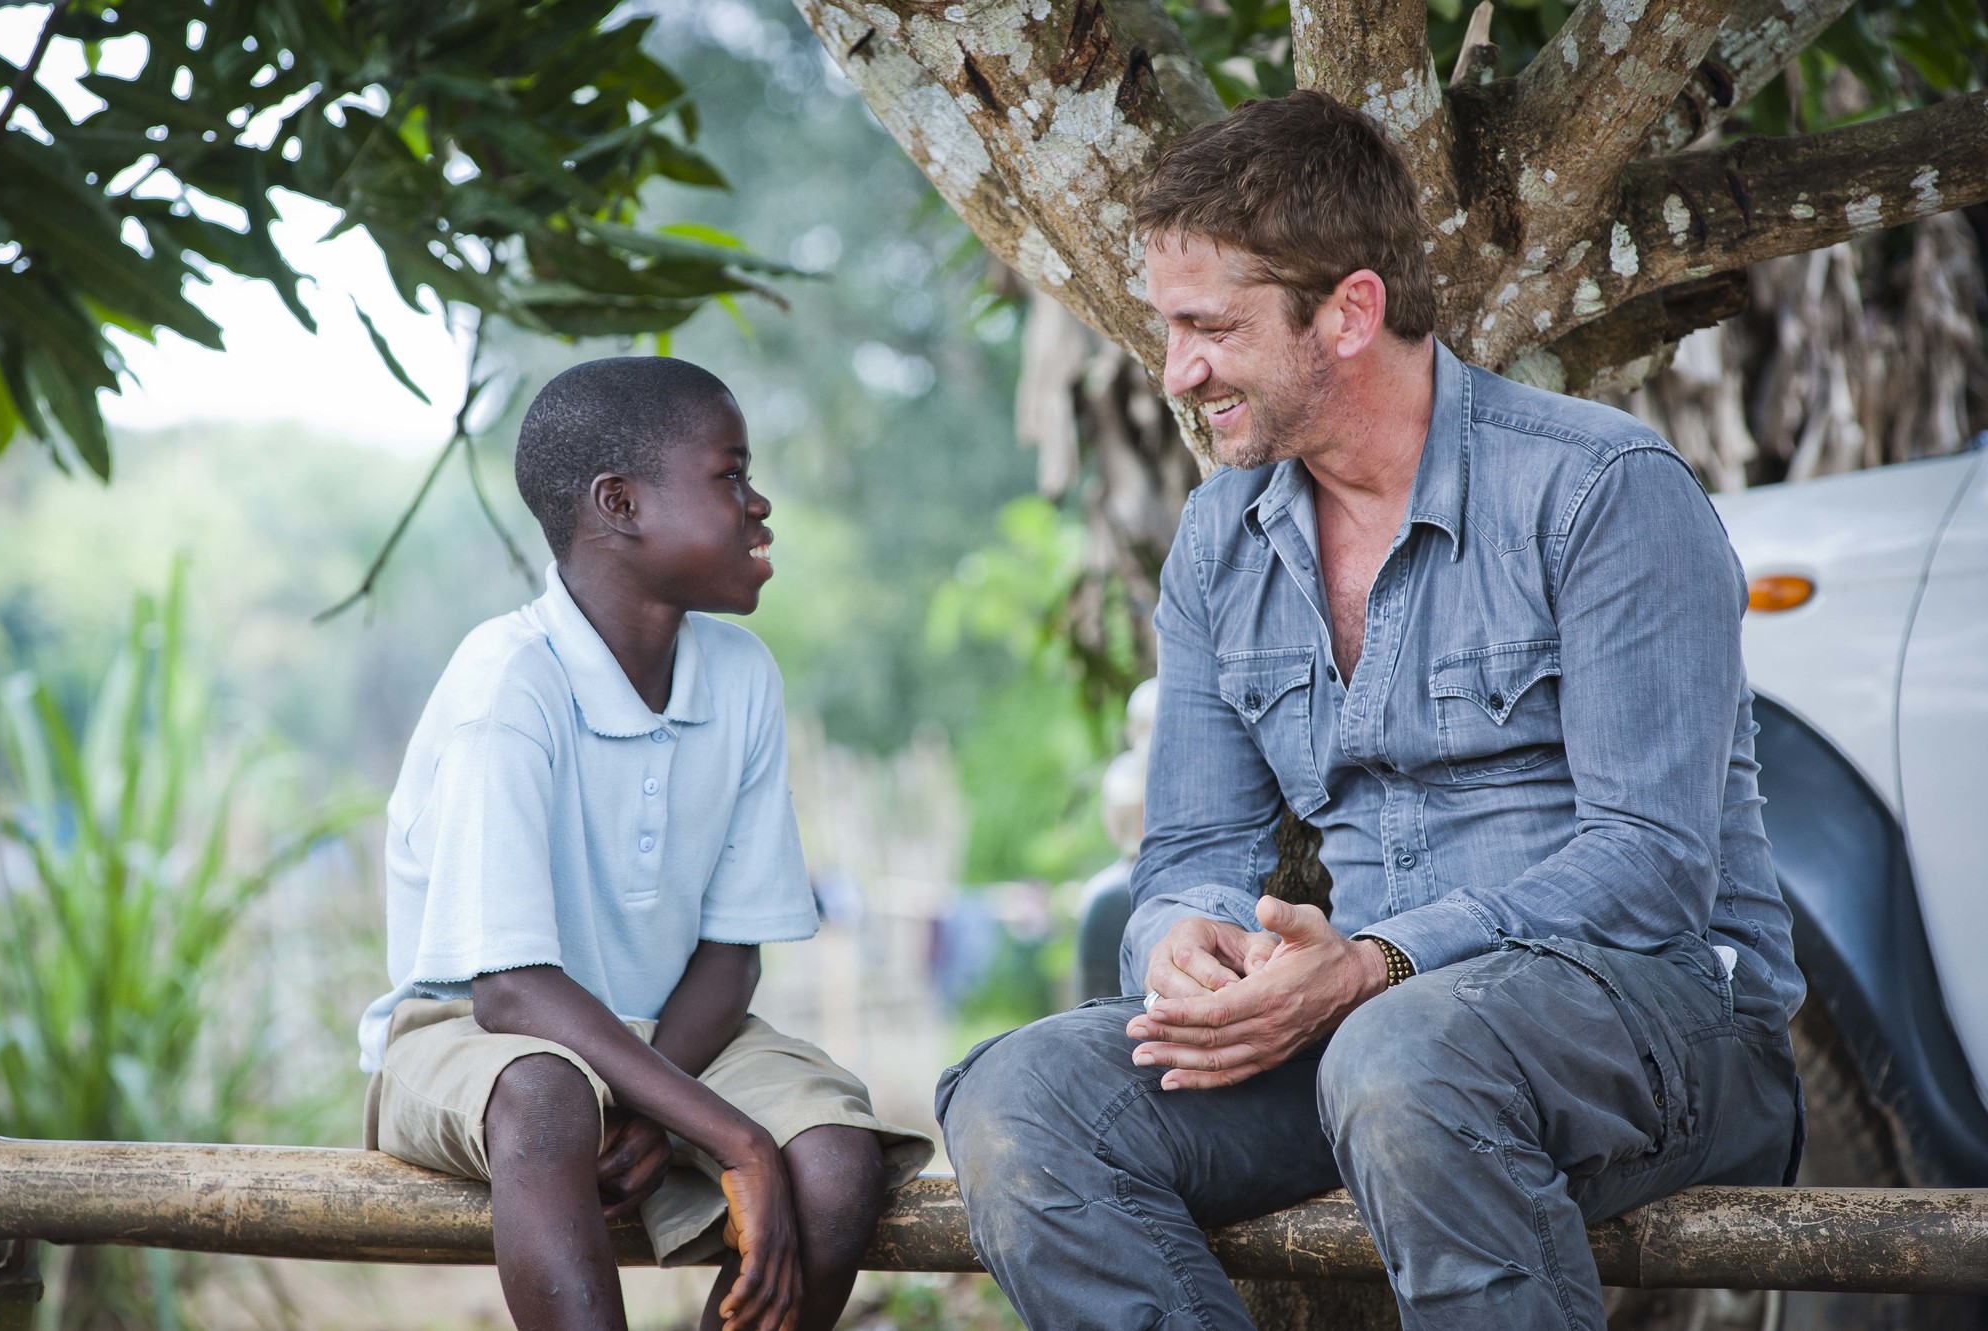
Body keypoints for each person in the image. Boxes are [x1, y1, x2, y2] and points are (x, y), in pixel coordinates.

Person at [936, 91, 1804, 1331]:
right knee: (1021, 1097)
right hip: (1374, 1050)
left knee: (1404, 1054)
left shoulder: (1599, 489)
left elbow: (1649, 865)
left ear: (1347, 311)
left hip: (1663, 1027)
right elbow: (1189, 850)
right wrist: (1184, 943)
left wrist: (1375, 963)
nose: (1176, 371)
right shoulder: (1219, 541)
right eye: (1169, 327)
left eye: (1209, 327)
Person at [356, 357, 932, 1331]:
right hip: (470, 1038)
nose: (759, 505)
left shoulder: (740, 675)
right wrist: (734, 1139)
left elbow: (730, 951)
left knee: (834, 1162)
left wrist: (663, 1101)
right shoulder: (508, 686)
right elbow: (507, 990)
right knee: (547, 1097)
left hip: (675, 1034)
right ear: (618, 503)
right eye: (729, 474)